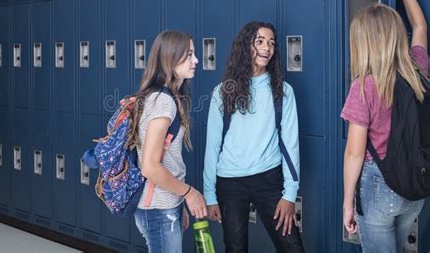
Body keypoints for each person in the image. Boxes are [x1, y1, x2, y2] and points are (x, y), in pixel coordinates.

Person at [342, 0, 428, 253]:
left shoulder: (364, 86)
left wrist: (347, 203)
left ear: (362, 42)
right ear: (394, 35)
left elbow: (354, 152)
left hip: (379, 186)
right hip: (414, 187)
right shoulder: (418, 69)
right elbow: (419, 26)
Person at [203, 21, 305, 252]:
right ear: (245, 46)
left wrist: (290, 194)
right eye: (259, 41)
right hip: (230, 182)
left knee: (292, 247)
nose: (267, 48)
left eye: (271, 43)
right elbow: (213, 146)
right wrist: (209, 195)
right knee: (235, 248)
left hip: (269, 179)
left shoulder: (283, 91)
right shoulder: (223, 92)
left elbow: (291, 145)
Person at [128, 30, 208, 253]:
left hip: (164, 204)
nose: (196, 60)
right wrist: (189, 193)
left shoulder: (168, 97)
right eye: (189, 54)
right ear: (171, 58)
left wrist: (178, 202)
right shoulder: (163, 102)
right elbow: (150, 166)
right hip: (157, 208)